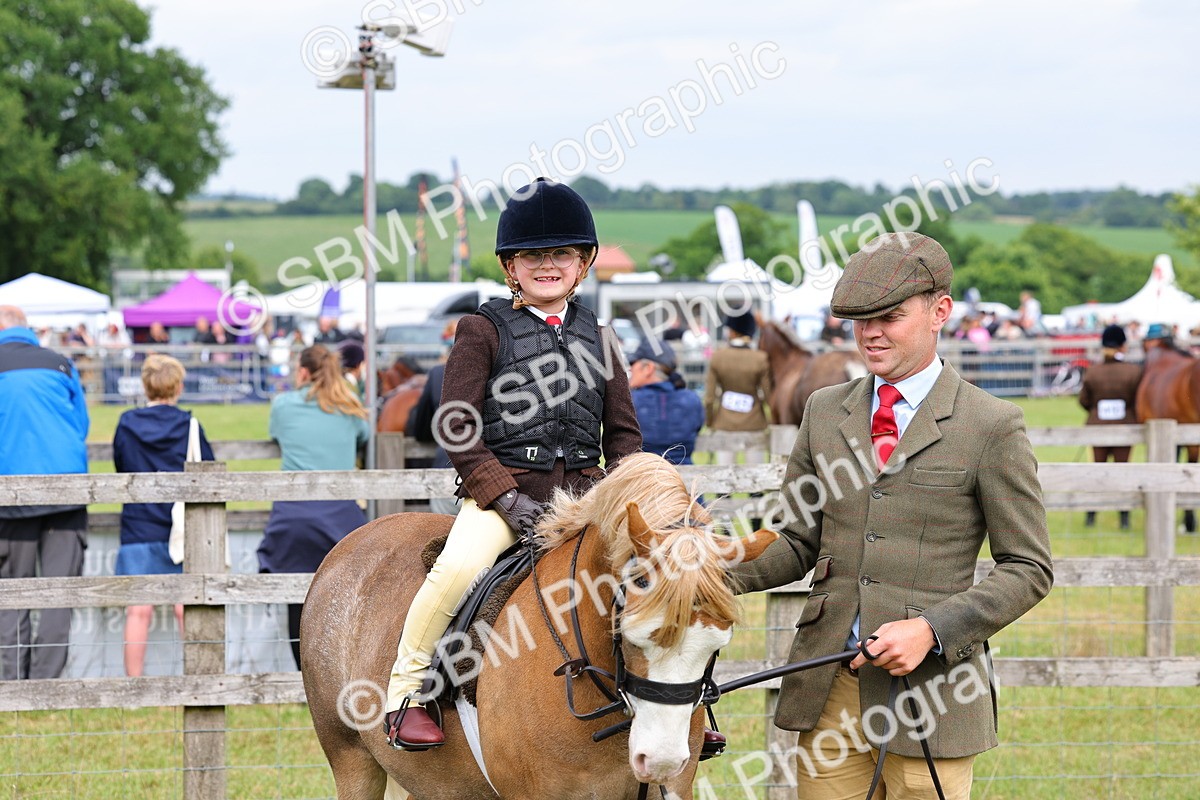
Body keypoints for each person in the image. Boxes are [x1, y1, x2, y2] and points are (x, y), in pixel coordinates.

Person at [730, 233, 1053, 799]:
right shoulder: (825, 410)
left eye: (890, 317)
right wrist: (711, 567)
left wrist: (931, 630)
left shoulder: (991, 424)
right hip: (829, 688)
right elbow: (797, 540)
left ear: (940, 312)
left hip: (933, 698)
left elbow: (1028, 567)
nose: (871, 333)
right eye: (860, 319)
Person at [383, 178, 642, 750]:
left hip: (585, 492)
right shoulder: (482, 329)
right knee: (456, 571)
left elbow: (622, 434)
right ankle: (409, 692)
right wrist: (506, 499)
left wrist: (631, 496)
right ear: (511, 266)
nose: (547, 266)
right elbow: (456, 425)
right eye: (534, 256)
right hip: (504, 492)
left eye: (561, 256)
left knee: (658, 571)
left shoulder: (601, 336)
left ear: (583, 263)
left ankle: (681, 705)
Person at [257, 345, 370, 669]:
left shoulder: (283, 405)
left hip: (294, 518)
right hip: (341, 519)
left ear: (303, 372)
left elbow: (276, 433)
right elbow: (362, 438)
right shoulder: (350, 407)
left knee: (296, 599)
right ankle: (344, 668)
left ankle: (304, 673)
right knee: (347, 599)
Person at [0, 305, 90, 680]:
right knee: (58, 594)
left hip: (10, 495)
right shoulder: (61, 363)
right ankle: (47, 683)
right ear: (28, 329)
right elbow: (81, 424)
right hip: (66, 488)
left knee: (11, 593)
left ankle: (10, 680)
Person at [112, 355, 215, 675]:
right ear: (179, 386)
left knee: (138, 610)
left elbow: (121, 463)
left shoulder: (127, 423)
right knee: (187, 607)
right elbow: (208, 469)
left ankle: (134, 683)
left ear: (144, 385)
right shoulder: (190, 425)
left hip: (139, 524)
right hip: (182, 527)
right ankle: (197, 677)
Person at [1078, 324, 1141, 530]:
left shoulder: (1093, 372)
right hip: (1125, 428)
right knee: (1122, 472)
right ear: (1123, 346)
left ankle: (1091, 516)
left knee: (1098, 471)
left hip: (1098, 428)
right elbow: (1137, 401)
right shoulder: (1134, 372)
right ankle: (1124, 519)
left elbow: (1084, 401)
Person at [628, 337, 704, 465]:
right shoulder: (692, 400)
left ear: (648, 368)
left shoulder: (630, 401)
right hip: (683, 478)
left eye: (633, 363)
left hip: (643, 478)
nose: (631, 369)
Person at [704, 310, 771, 433]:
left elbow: (709, 398)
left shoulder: (717, 357)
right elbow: (768, 396)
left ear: (732, 332)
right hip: (754, 423)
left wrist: (709, 422)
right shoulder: (761, 358)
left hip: (724, 423)